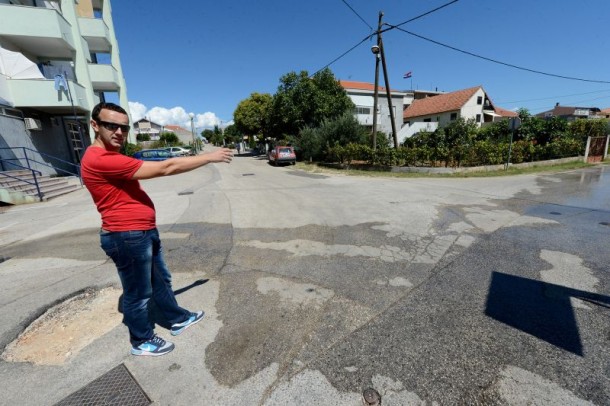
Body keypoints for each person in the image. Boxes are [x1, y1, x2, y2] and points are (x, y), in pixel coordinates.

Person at [81, 102, 233, 356]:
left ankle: (176, 318)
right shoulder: (100, 158)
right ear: (95, 125)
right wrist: (209, 156)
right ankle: (141, 341)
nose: (119, 132)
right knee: (138, 295)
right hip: (126, 236)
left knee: (161, 281)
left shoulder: (111, 155)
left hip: (140, 232)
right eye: (111, 126)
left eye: (124, 127)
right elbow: (166, 167)